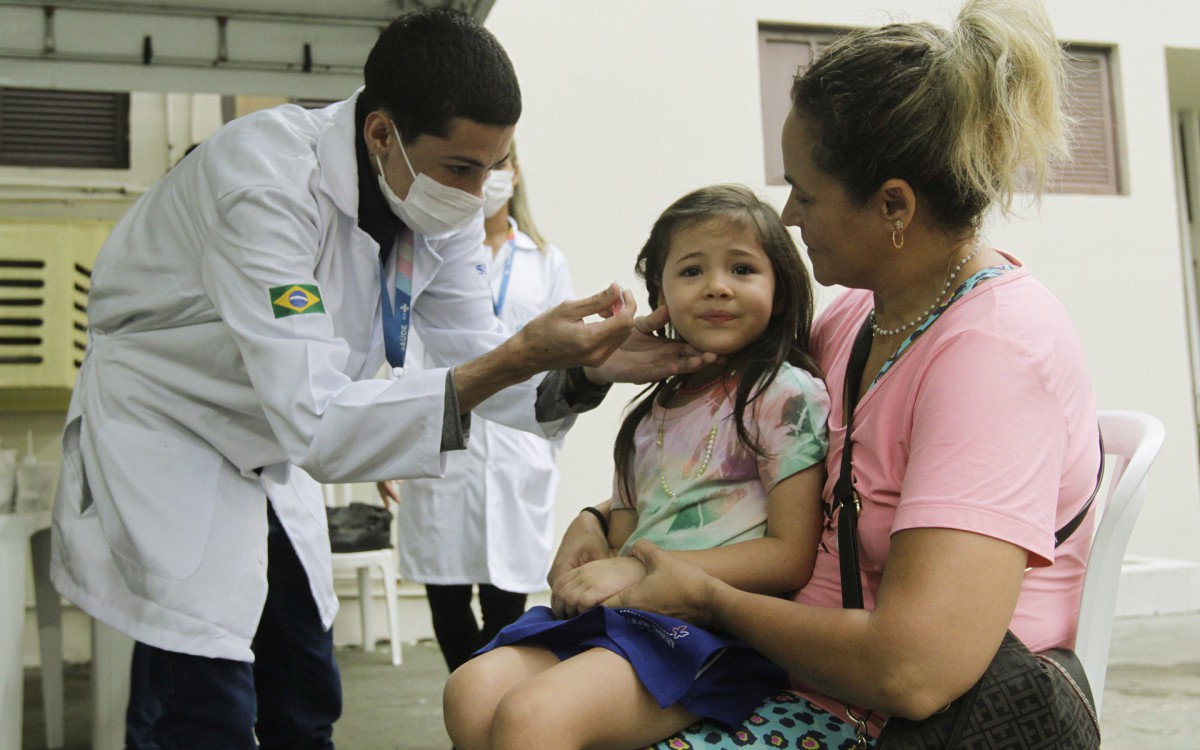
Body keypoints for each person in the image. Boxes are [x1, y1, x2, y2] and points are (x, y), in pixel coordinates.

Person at [48, 10, 712, 750]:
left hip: (270, 446)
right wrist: (521, 353)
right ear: (380, 134)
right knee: (204, 700)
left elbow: (474, 351)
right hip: (171, 431)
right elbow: (322, 421)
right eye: (461, 168)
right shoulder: (263, 182)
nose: (476, 194)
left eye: (492, 167)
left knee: (304, 689)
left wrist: (584, 370)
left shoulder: (433, 203)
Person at [552, 1, 1102, 747]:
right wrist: (599, 517)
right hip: (795, 676)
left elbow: (914, 671)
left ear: (894, 205)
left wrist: (705, 597)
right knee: (494, 707)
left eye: (806, 193)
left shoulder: (996, 355)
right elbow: (740, 458)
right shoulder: (859, 317)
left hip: (886, 717)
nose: (788, 215)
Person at [443, 184, 832, 748]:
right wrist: (598, 565)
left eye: (743, 269)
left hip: (718, 632)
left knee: (534, 716)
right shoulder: (646, 417)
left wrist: (634, 571)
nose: (717, 285)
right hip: (631, 619)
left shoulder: (784, 394)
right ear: (660, 294)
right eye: (692, 270)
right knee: (470, 689)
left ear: (781, 288)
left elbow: (790, 556)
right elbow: (623, 541)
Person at [383, 142, 577, 672]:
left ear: (515, 172)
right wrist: (391, 438)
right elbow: (407, 348)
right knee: (445, 594)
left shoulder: (545, 261)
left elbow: (563, 356)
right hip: (444, 441)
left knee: (505, 603)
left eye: (499, 164)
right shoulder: (429, 253)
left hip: (516, 449)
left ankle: (483, 703)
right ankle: (471, 698)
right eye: (476, 165)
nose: (489, 177)